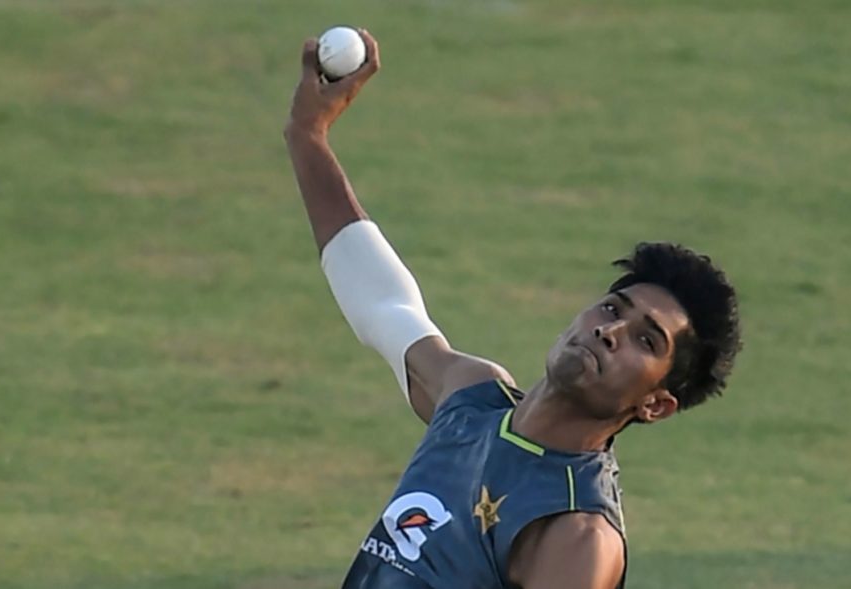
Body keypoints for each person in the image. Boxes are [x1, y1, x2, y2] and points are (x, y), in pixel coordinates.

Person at [284, 30, 741, 589]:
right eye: (612, 308)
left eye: (647, 341)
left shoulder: (575, 533)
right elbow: (384, 304)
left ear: (656, 404)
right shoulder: (471, 402)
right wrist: (309, 136)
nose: (611, 330)